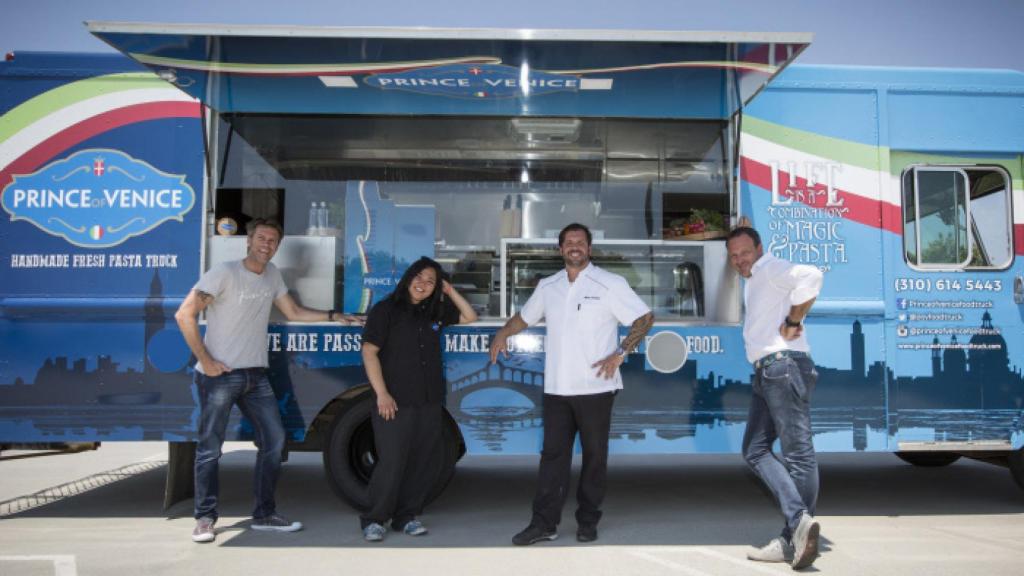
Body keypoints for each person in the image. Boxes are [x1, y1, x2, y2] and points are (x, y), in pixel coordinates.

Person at [175, 218, 361, 544]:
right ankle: (205, 519)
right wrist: (205, 360)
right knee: (209, 449)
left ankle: (264, 514)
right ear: (249, 241)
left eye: (273, 240)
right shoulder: (224, 272)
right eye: (262, 238)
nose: (266, 244)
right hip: (220, 377)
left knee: (274, 442)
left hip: (254, 375)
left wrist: (334, 316)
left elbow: (293, 312)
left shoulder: (272, 275)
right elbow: (184, 314)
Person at [490, 223, 654, 545]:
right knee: (552, 459)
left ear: (589, 249)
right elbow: (526, 317)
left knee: (594, 459)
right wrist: (502, 333)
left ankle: (588, 522)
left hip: (596, 388)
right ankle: (544, 524)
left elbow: (644, 318)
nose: (574, 246)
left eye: (580, 242)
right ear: (560, 249)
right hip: (557, 390)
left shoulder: (609, 283)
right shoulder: (548, 285)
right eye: (568, 242)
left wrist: (619, 353)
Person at [359, 256, 478, 542]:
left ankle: (406, 516)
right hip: (395, 400)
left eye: (431, 281)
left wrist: (450, 292)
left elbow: (469, 316)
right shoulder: (386, 309)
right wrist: (382, 394)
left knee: (422, 461)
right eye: (419, 277)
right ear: (408, 277)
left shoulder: (434, 311)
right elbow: (369, 352)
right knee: (392, 461)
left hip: (429, 400)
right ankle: (374, 519)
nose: (423, 284)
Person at [726, 226, 824, 570]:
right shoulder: (756, 279)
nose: (740, 260)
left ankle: (793, 531)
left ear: (759, 248)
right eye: (734, 256)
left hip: (782, 367)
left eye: (745, 253)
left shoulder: (769, 269)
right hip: (769, 371)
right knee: (754, 449)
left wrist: (793, 319)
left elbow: (812, 275)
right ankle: (796, 527)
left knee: (798, 454)